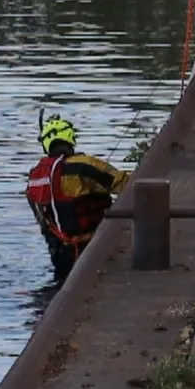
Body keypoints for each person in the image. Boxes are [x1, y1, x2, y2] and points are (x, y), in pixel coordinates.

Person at [27, 115, 130, 281]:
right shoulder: (82, 165)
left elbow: (42, 220)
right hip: (93, 247)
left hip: (60, 254)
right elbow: (126, 185)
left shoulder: (34, 177)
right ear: (70, 138)